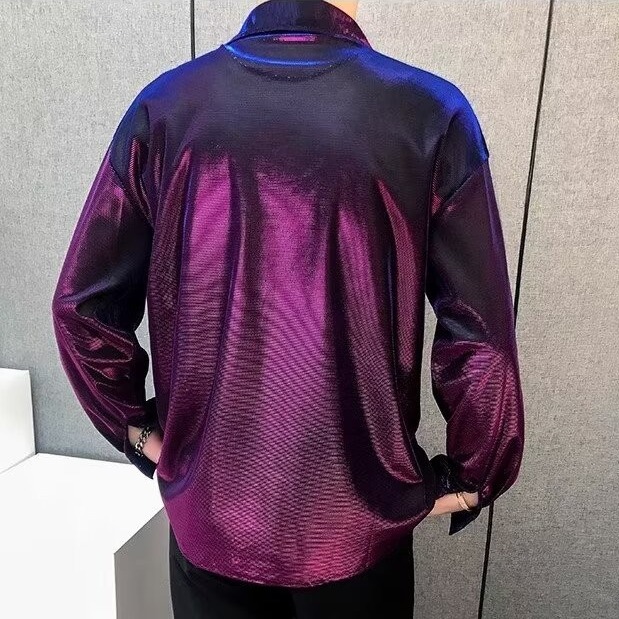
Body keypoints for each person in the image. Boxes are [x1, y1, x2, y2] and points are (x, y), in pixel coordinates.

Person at [51, 1, 525, 617]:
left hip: (210, 517)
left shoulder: (165, 109)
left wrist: (140, 432)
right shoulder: (429, 114)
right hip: (355, 530)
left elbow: (81, 306)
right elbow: (482, 339)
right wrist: (470, 477)